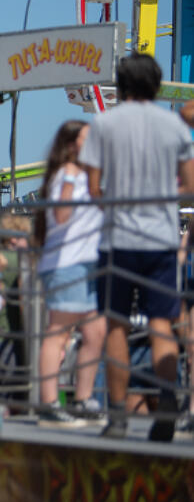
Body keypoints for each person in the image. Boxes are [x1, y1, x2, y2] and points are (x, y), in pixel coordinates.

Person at [80, 52, 194, 441]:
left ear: (122, 83)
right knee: (163, 322)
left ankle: (117, 414)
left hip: (119, 238)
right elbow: (190, 185)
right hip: (161, 237)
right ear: (157, 84)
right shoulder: (174, 126)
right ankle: (166, 399)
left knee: (116, 323)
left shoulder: (104, 124)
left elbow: (94, 188)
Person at [34, 120, 105, 428]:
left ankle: (83, 398)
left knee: (95, 332)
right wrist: (72, 179)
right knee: (59, 332)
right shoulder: (68, 174)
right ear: (72, 144)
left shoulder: (88, 175)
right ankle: (49, 401)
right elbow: (62, 214)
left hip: (87, 262)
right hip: (66, 263)